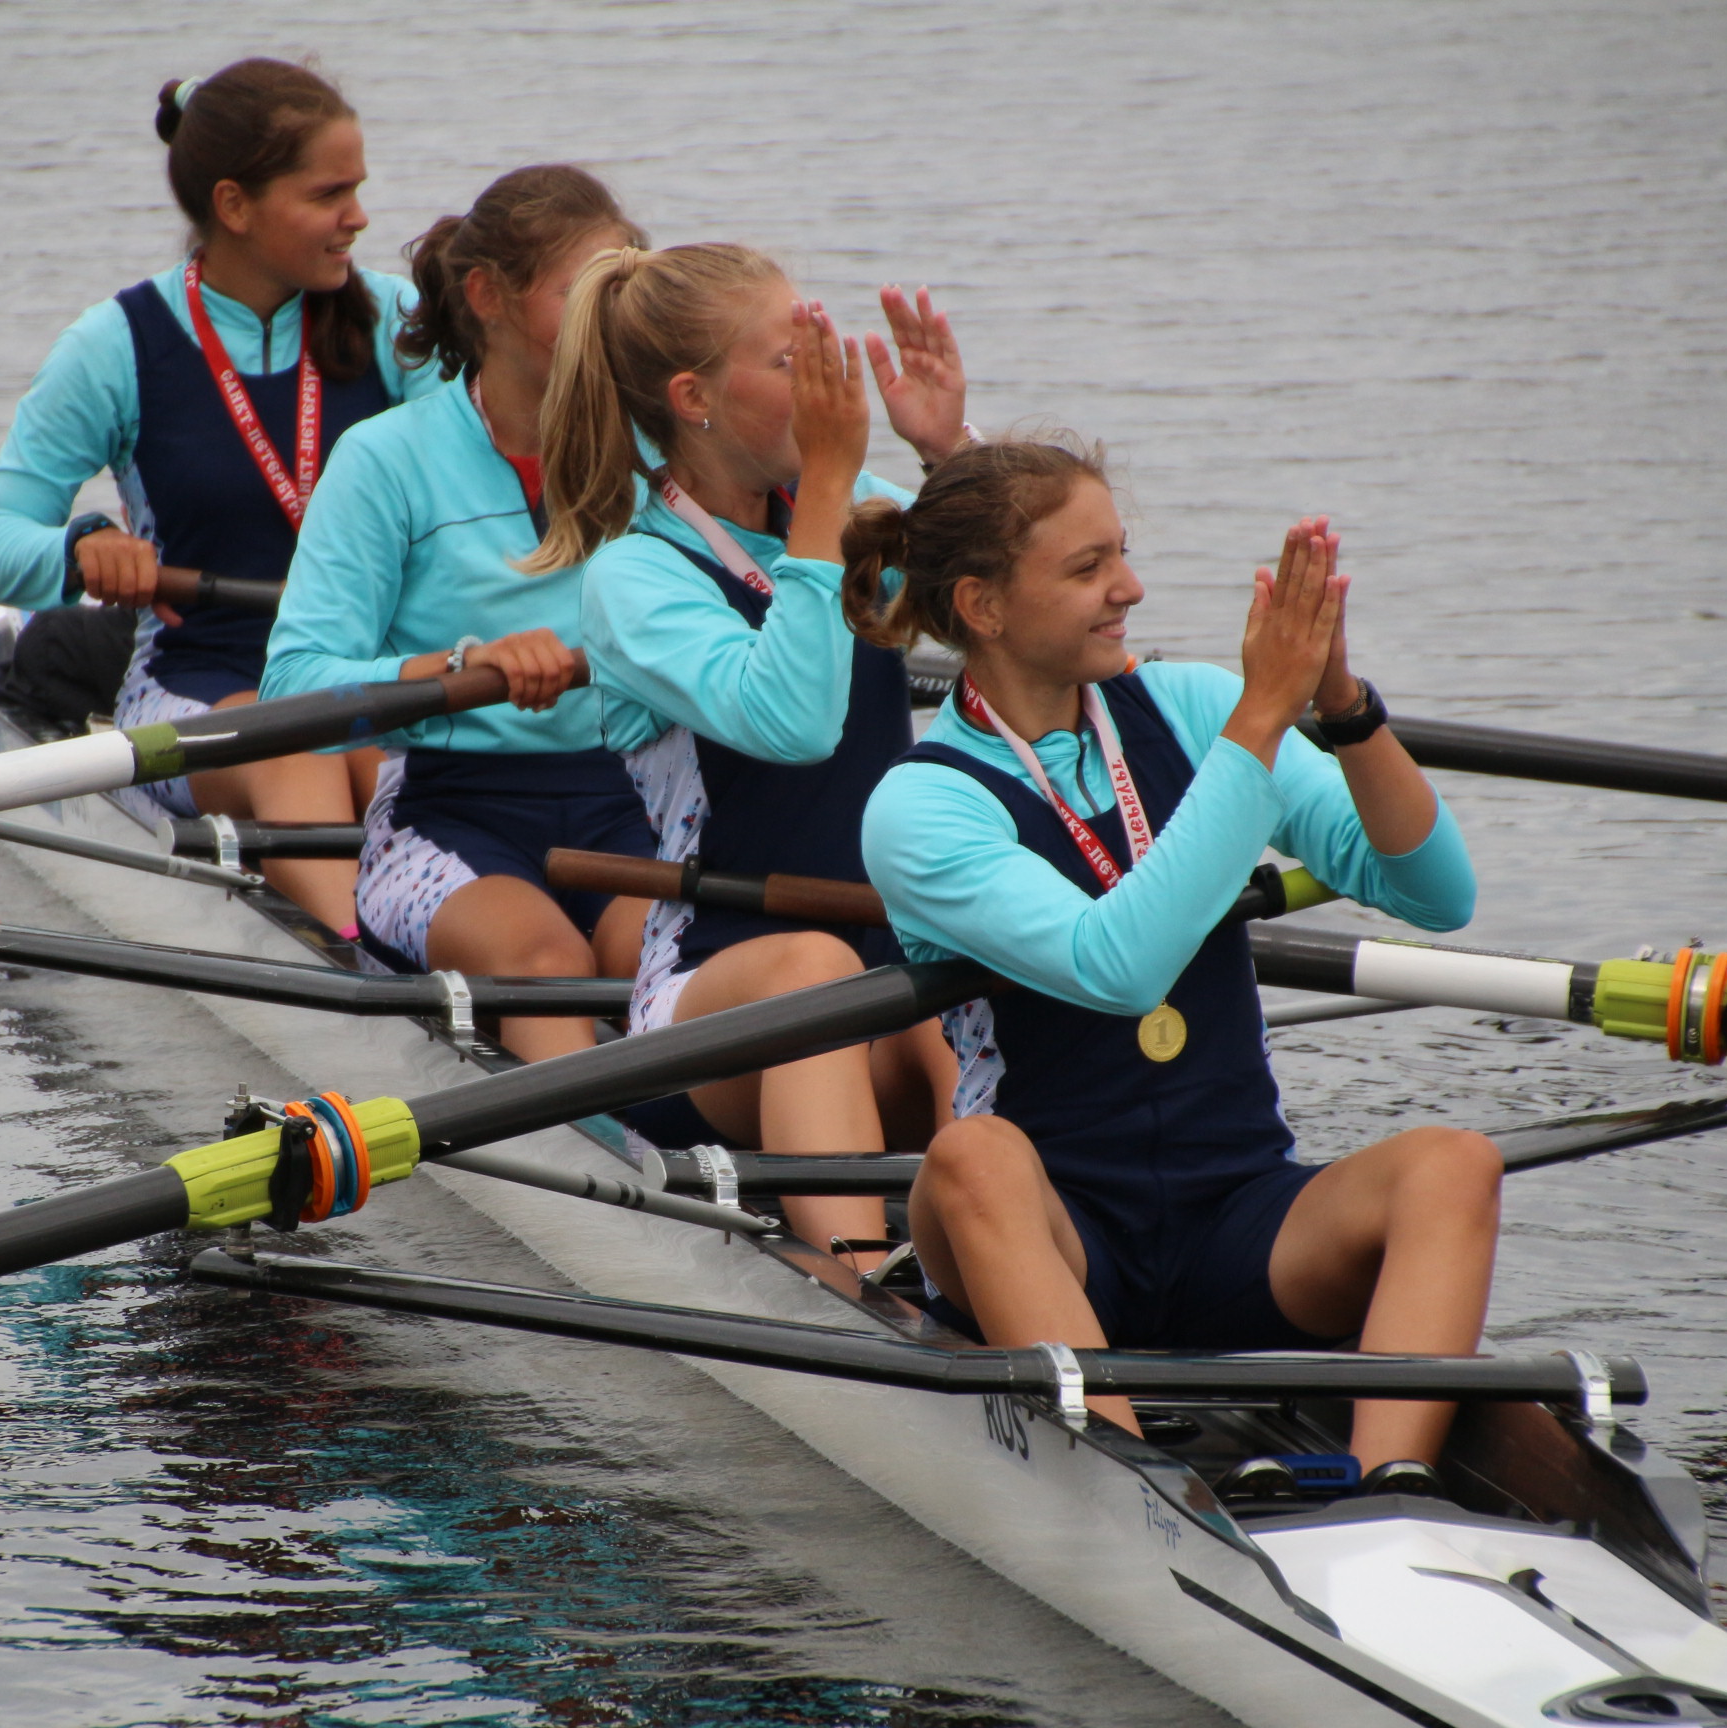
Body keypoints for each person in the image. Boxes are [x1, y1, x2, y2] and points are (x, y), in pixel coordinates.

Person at [853, 436, 1495, 1492]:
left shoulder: (1192, 708)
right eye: (1088, 567)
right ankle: (1135, 1492)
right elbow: (1117, 967)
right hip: (1055, 1236)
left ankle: (1390, 1497)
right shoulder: (924, 804)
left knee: (1453, 1164)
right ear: (983, 606)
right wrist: (1258, 720)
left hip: (1235, 1218)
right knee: (972, 1158)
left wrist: (1340, 708)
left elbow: (1434, 891)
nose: (1130, 588)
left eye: (1123, 554)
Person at [541, 241, 971, 1261]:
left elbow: (992, 618)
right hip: (711, 1009)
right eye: (790, 360)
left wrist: (949, 461)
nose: (828, 385)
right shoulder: (635, 579)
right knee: (819, 974)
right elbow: (792, 721)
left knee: (980, 969)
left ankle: (1039, 1281)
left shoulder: (846, 502)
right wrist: (831, 485)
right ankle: (859, 1295)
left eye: (819, 348)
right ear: (694, 398)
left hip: (889, 969)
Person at [0, 58, 441, 930]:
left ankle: (438, 946)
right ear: (235, 206)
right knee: (295, 732)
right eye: (330, 194)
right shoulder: (117, 346)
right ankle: (370, 970)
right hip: (196, 685)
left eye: (359, 190)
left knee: (372, 741)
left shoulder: (400, 324)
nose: (359, 218)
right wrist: (78, 548)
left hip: (370, 674)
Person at [261, 167, 657, 1060]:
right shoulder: (387, 460)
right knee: (550, 962)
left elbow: (844, 535)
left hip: (635, 803)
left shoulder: (660, 441)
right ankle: (595, 1195)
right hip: (448, 812)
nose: (619, 320)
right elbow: (294, 683)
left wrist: (945, 453)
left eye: (629, 289)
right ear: (489, 298)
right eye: (585, 293)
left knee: (661, 957)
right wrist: (459, 670)